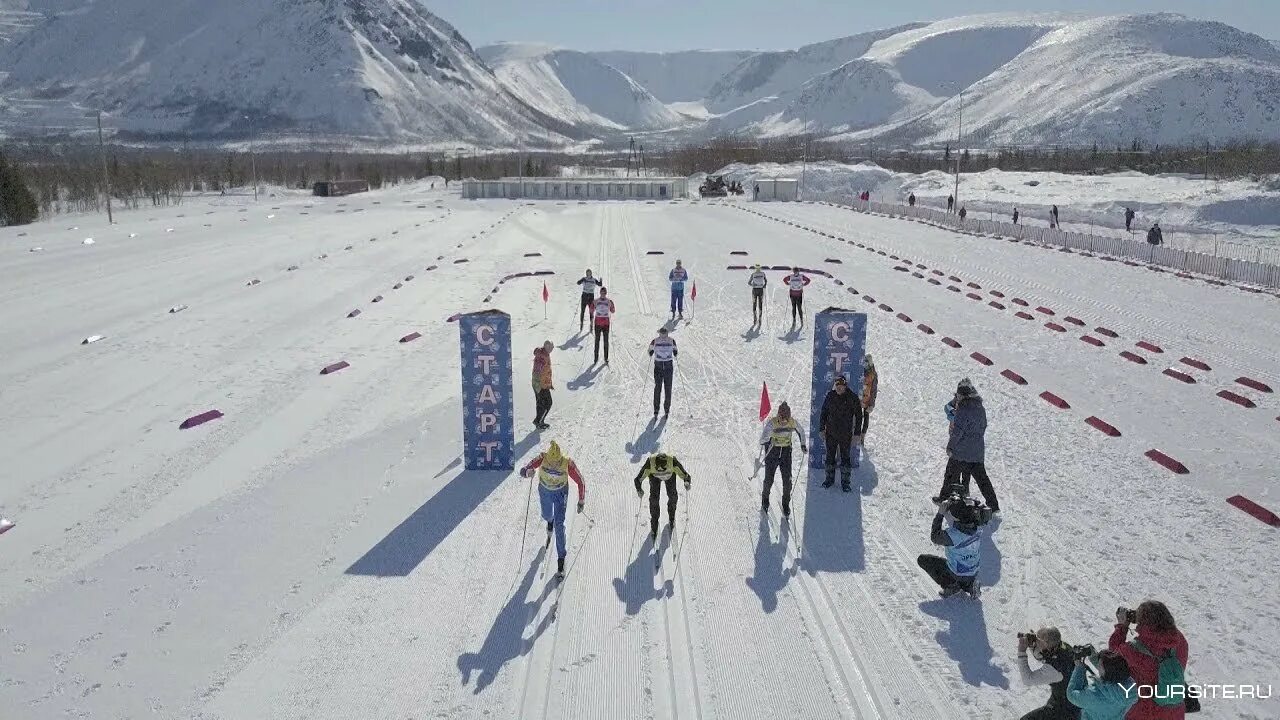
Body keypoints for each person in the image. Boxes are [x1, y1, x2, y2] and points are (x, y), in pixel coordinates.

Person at [1108, 601, 1189, 720]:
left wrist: (1122, 626)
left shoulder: (1134, 650)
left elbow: (1112, 654)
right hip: (1174, 712)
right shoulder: (1179, 641)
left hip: (1143, 713)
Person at [520, 441, 586, 578]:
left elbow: (580, 480)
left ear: (560, 458)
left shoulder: (568, 463)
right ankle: (549, 521)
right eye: (550, 462)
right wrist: (528, 472)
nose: (553, 465)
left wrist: (581, 500)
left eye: (556, 462)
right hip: (545, 491)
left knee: (559, 525)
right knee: (547, 515)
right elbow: (523, 470)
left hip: (560, 493)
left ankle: (561, 561)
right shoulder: (542, 457)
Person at [938, 378, 1000, 512]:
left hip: (961, 452)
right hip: (977, 452)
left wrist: (950, 447)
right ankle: (994, 506)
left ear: (964, 395)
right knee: (982, 480)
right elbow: (983, 426)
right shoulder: (980, 407)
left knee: (950, 475)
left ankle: (944, 498)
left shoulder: (963, 409)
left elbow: (957, 432)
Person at [916, 494, 988, 597]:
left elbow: (934, 536)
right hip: (973, 571)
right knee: (964, 574)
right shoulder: (978, 528)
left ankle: (951, 585)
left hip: (956, 573)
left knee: (923, 560)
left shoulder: (952, 536)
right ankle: (970, 585)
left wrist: (940, 514)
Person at [1016, 627, 1083, 720]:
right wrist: (1033, 646)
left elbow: (1027, 679)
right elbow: (1045, 656)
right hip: (1074, 705)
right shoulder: (1064, 647)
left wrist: (1021, 652)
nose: (1037, 641)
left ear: (1046, 643)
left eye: (1038, 639)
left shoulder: (1054, 669)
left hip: (1063, 711)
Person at [759, 401, 807, 516]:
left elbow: (801, 431)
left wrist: (803, 444)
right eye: (782, 418)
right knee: (769, 479)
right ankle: (765, 500)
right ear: (779, 415)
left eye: (786, 418)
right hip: (772, 452)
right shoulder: (772, 423)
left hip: (786, 453)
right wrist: (768, 440)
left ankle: (786, 504)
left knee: (787, 481)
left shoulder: (792, 422)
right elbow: (762, 439)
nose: (784, 422)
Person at [633, 451, 692, 540]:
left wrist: (686, 481)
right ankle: (654, 522)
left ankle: (671, 517)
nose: (660, 470)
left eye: (662, 469)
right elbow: (638, 479)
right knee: (654, 500)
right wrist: (639, 489)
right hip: (654, 477)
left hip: (670, 476)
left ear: (667, 465)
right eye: (658, 469)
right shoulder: (650, 463)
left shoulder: (673, 462)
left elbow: (684, 474)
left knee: (673, 497)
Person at [819, 375, 861, 491]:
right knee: (830, 457)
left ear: (845, 386)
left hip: (845, 435)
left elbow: (859, 416)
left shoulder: (852, 397)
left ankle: (845, 483)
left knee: (845, 459)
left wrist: (857, 433)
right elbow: (823, 412)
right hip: (831, 434)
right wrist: (821, 429)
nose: (839, 388)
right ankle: (829, 480)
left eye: (841, 386)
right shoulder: (830, 396)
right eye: (837, 386)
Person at [1067, 651, 1138, 720]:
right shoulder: (1129, 690)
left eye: (1100, 665)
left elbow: (1071, 695)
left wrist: (1079, 668)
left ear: (1108, 672)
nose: (1098, 666)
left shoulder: (1094, 694)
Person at [648, 326, 677, 416]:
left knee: (659, 388)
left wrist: (651, 352)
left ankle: (661, 409)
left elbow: (649, 351)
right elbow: (676, 351)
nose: (663, 336)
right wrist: (675, 352)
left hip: (661, 365)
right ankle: (663, 409)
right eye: (663, 334)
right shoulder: (671, 340)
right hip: (664, 365)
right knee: (665, 388)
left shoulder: (656, 340)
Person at [532, 340, 554, 430]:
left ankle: (539, 421)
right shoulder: (542, 356)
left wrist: (549, 383)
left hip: (541, 384)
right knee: (548, 403)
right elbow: (538, 370)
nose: (552, 349)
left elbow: (546, 371)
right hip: (540, 385)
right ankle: (539, 421)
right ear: (547, 347)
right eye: (551, 347)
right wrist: (539, 385)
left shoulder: (544, 353)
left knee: (541, 403)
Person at [592, 288, 615, 365]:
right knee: (597, 341)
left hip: (606, 324)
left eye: (604, 293)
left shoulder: (609, 301)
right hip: (598, 323)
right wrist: (592, 306)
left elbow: (613, 311)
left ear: (606, 293)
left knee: (606, 342)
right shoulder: (596, 301)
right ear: (600, 293)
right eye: (602, 293)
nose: (603, 294)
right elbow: (591, 310)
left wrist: (612, 305)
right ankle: (596, 358)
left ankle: (606, 358)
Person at [858, 354, 877, 448]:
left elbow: (874, 389)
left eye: (866, 362)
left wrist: (872, 404)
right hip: (859, 398)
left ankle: (862, 436)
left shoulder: (873, 373)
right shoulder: (860, 370)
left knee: (866, 417)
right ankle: (856, 435)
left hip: (867, 399)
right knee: (858, 416)